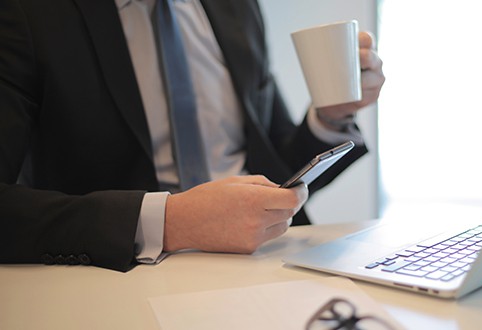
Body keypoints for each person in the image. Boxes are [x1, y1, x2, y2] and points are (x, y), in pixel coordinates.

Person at [0, 0, 385, 272]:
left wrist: (332, 117)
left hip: (271, 262)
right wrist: (173, 222)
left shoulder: (237, 8)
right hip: (120, 276)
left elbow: (276, 167)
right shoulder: (29, 12)